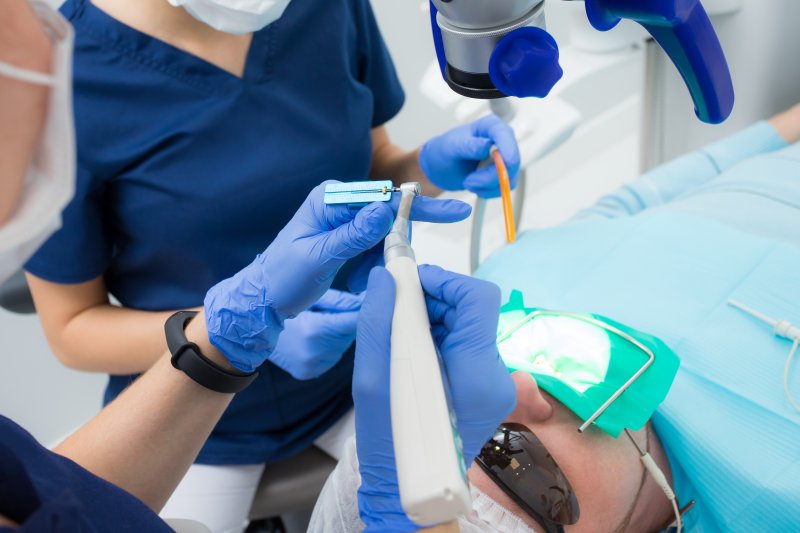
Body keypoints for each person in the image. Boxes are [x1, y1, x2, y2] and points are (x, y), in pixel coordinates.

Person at [20, 0, 521, 529]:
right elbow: (72, 329)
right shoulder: (60, 73)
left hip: (357, 373)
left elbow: (371, 170)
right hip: (191, 413)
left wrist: (426, 166)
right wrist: (236, 328)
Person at [309, 105, 800, 532]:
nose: (512, 386)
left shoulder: (499, 300)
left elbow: (633, 202)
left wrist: (789, 123)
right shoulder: (775, 495)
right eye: (510, 456)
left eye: (443, 406)